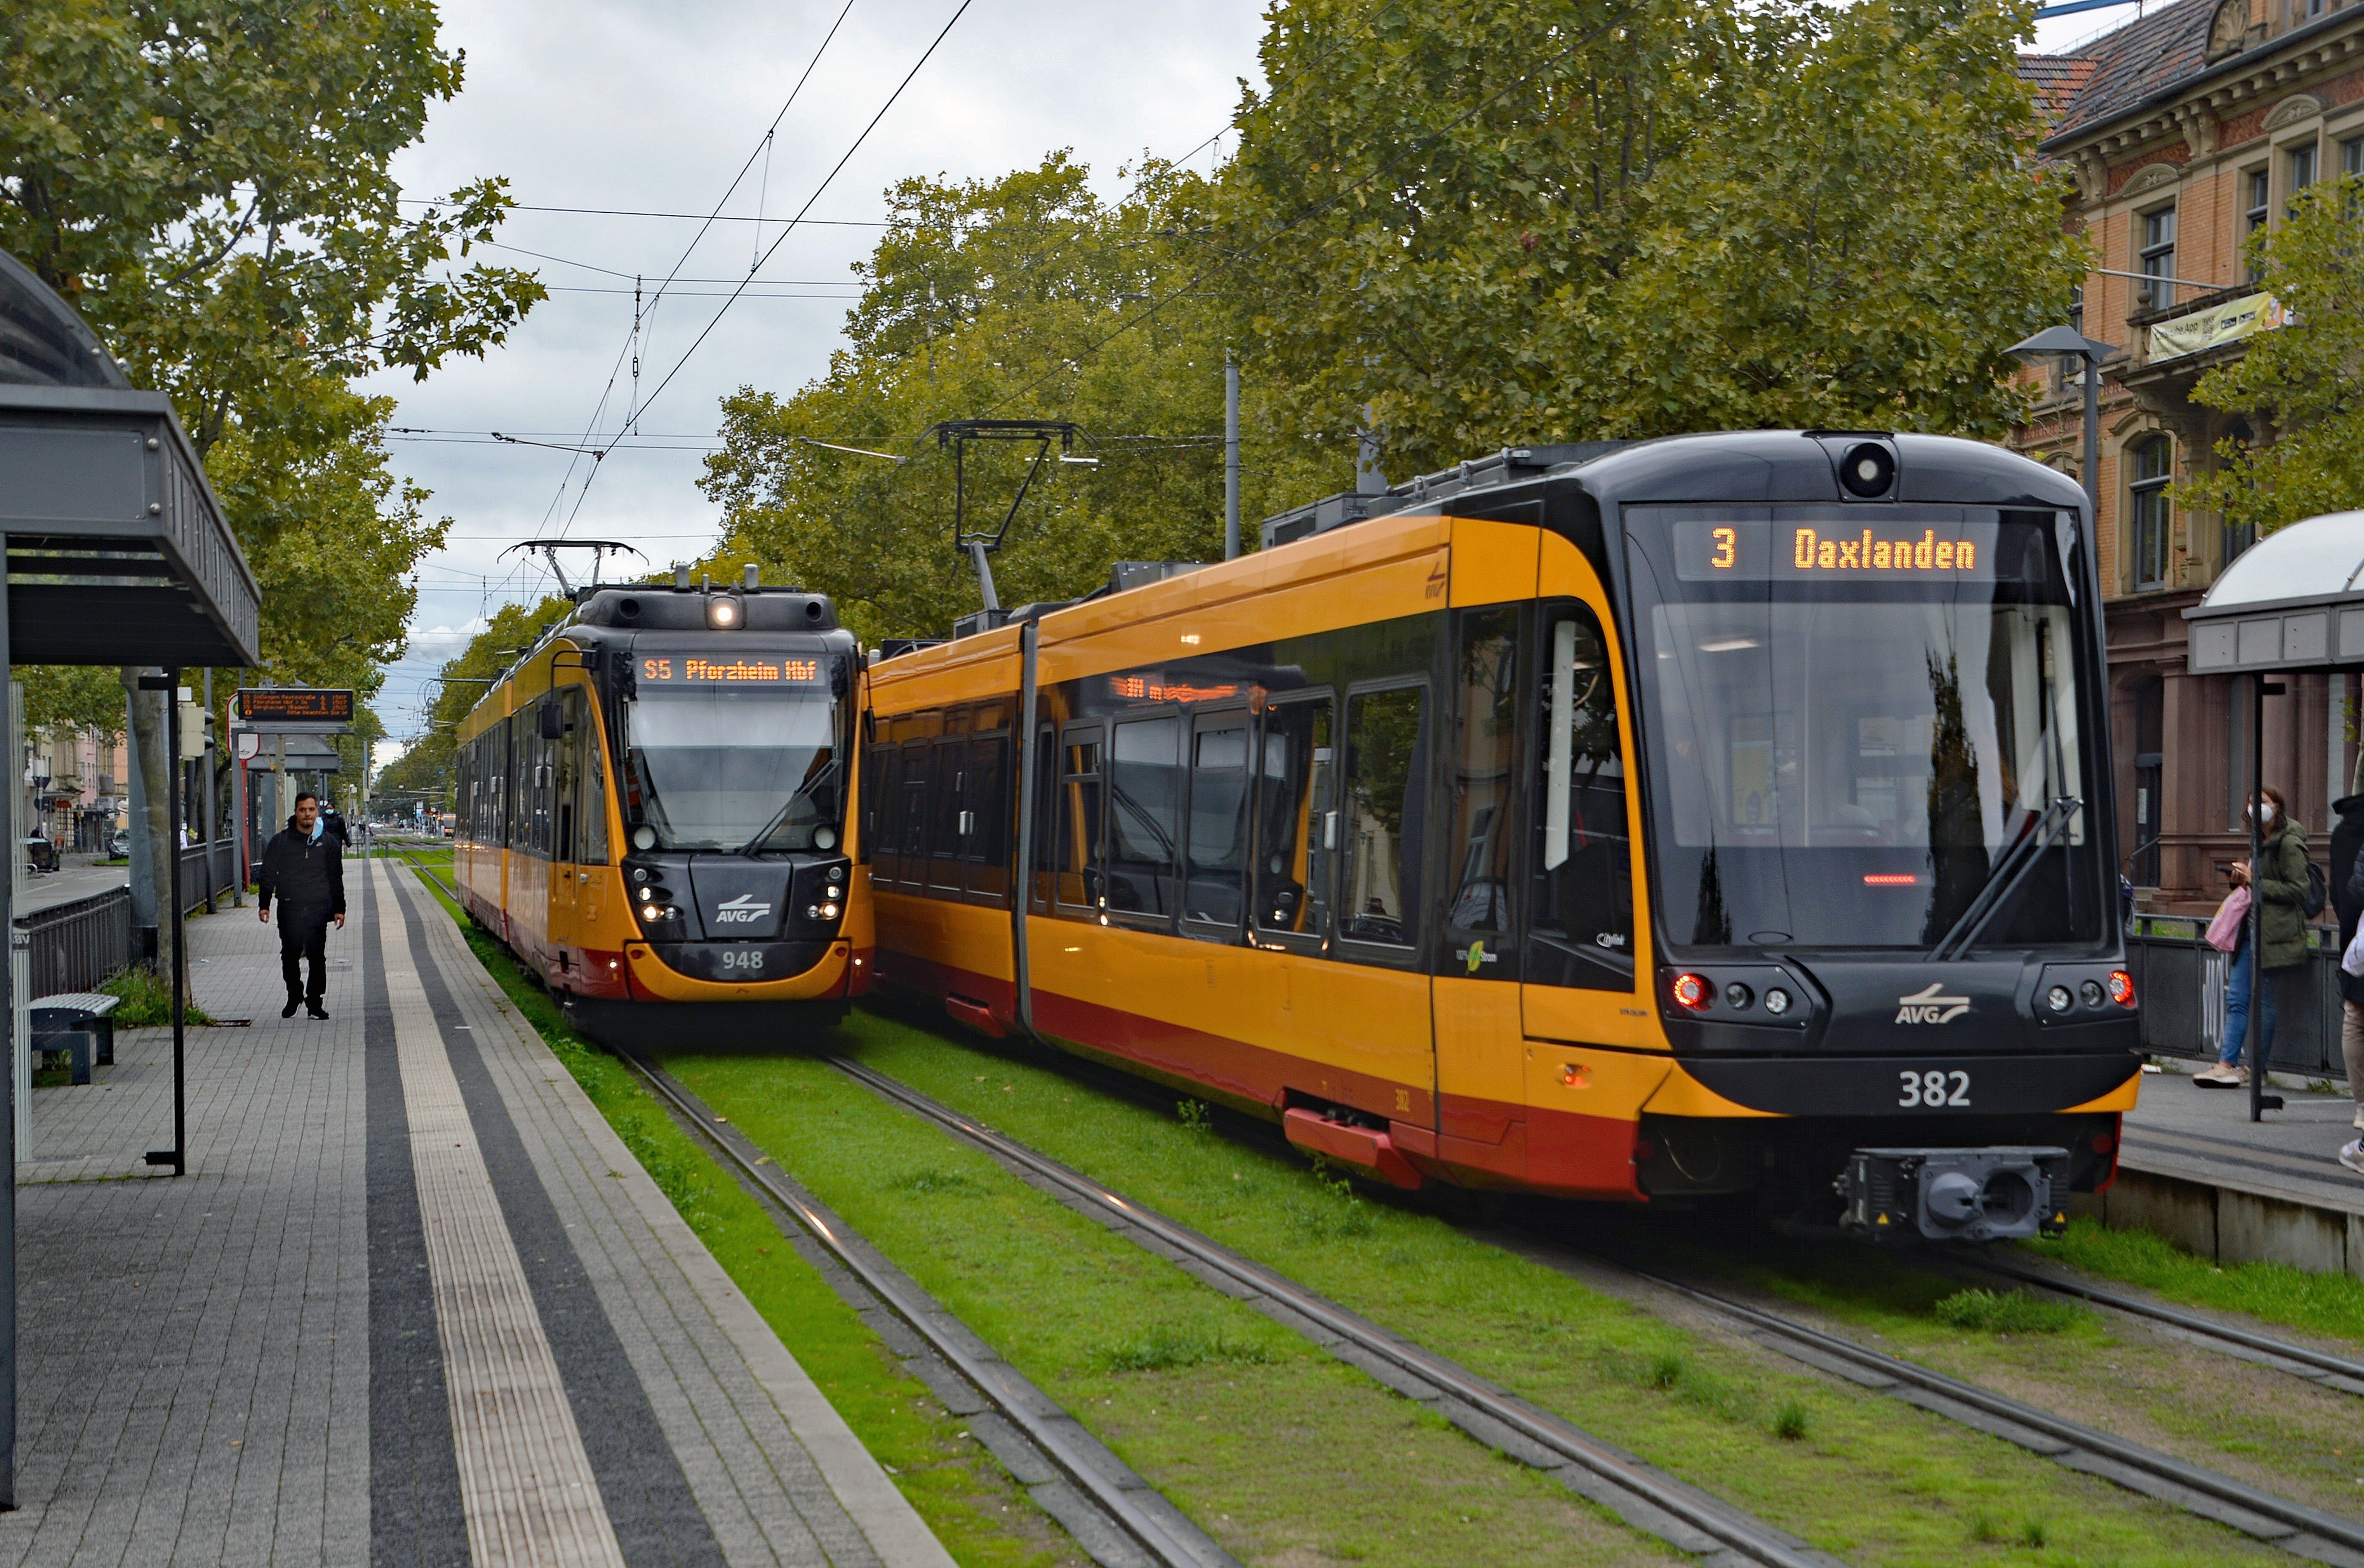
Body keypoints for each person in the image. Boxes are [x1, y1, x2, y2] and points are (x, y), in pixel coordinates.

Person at [2196, 786, 2311, 1088]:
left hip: (2275, 934)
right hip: (2250, 930)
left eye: (2262, 802)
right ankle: (2226, 1064)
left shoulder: (2290, 842)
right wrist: (2240, 881)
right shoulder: (2258, 838)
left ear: (2278, 806)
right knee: (2237, 998)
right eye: (2250, 803)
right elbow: (2254, 887)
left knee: (2263, 1001)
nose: (2255, 808)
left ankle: (2255, 1068)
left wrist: (2254, 880)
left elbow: (2300, 890)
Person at [258, 791, 346, 1020]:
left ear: (317, 812)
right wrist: (264, 904)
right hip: (290, 906)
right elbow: (268, 874)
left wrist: (340, 908)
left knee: (317, 956)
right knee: (290, 954)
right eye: (303, 810)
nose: (307, 814)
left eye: (311, 810)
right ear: (296, 812)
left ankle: (315, 1001)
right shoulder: (281, 842)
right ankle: (295, 994)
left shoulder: (328, 843)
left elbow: (336, 877)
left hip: (318, 906)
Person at [2333, 790, 2364, 1171]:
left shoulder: (2343, 833)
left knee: (2355, 1018)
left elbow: (2347, 893)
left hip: (2356, 942)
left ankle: (2362, 1107)